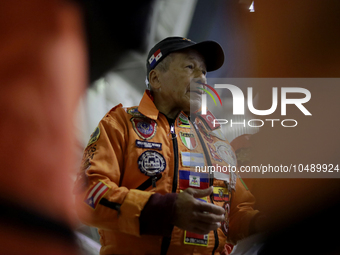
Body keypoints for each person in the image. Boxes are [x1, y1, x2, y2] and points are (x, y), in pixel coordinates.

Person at [74, 37, 263, 255]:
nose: (201, 79)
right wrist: (166, 210)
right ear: (156, 78)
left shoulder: (216, 139)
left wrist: (259, 222)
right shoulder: (120, 124)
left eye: (203, 72)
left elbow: (236, 212)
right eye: (190, 67)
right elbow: (87, 196)